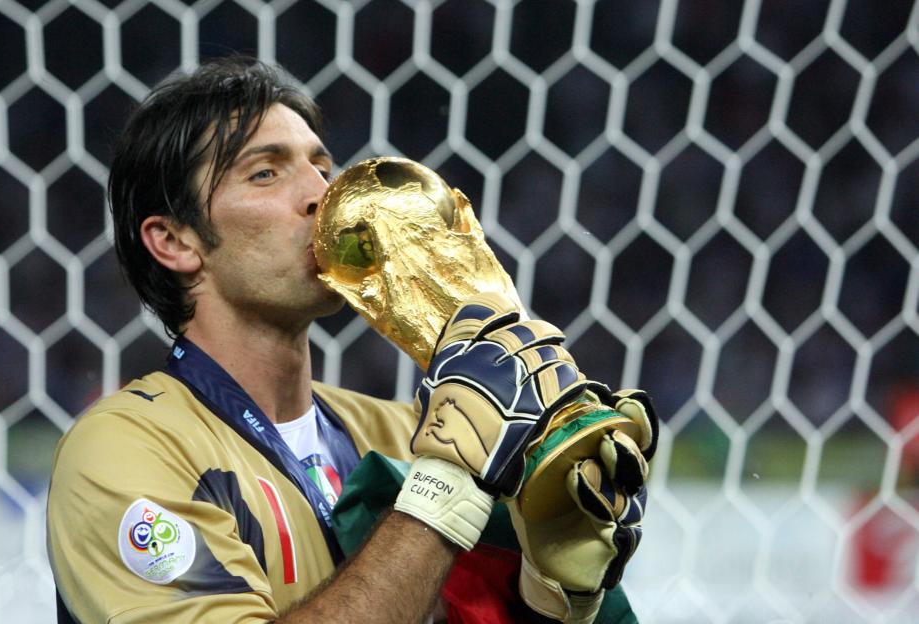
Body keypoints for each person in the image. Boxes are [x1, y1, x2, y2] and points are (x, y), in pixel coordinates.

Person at [46, 56, 654, 623]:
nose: (322, 195)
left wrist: (558, 591)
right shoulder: (124, 451)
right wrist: (444, 490)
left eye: (321, 167)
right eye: (265, 173)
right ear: (174, 241)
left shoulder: (405, 431)